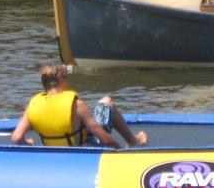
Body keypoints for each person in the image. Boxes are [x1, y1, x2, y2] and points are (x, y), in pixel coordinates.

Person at [11, 63, 147, 149]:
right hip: (83, 150)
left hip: (53, 152)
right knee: (106, 101)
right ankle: (133, 141)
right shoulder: (76, 105)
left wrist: (28, 144)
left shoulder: (33, 106)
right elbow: (104, 139)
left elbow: (16, 138)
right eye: (67, 78)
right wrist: (120, 152)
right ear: (62, 79)